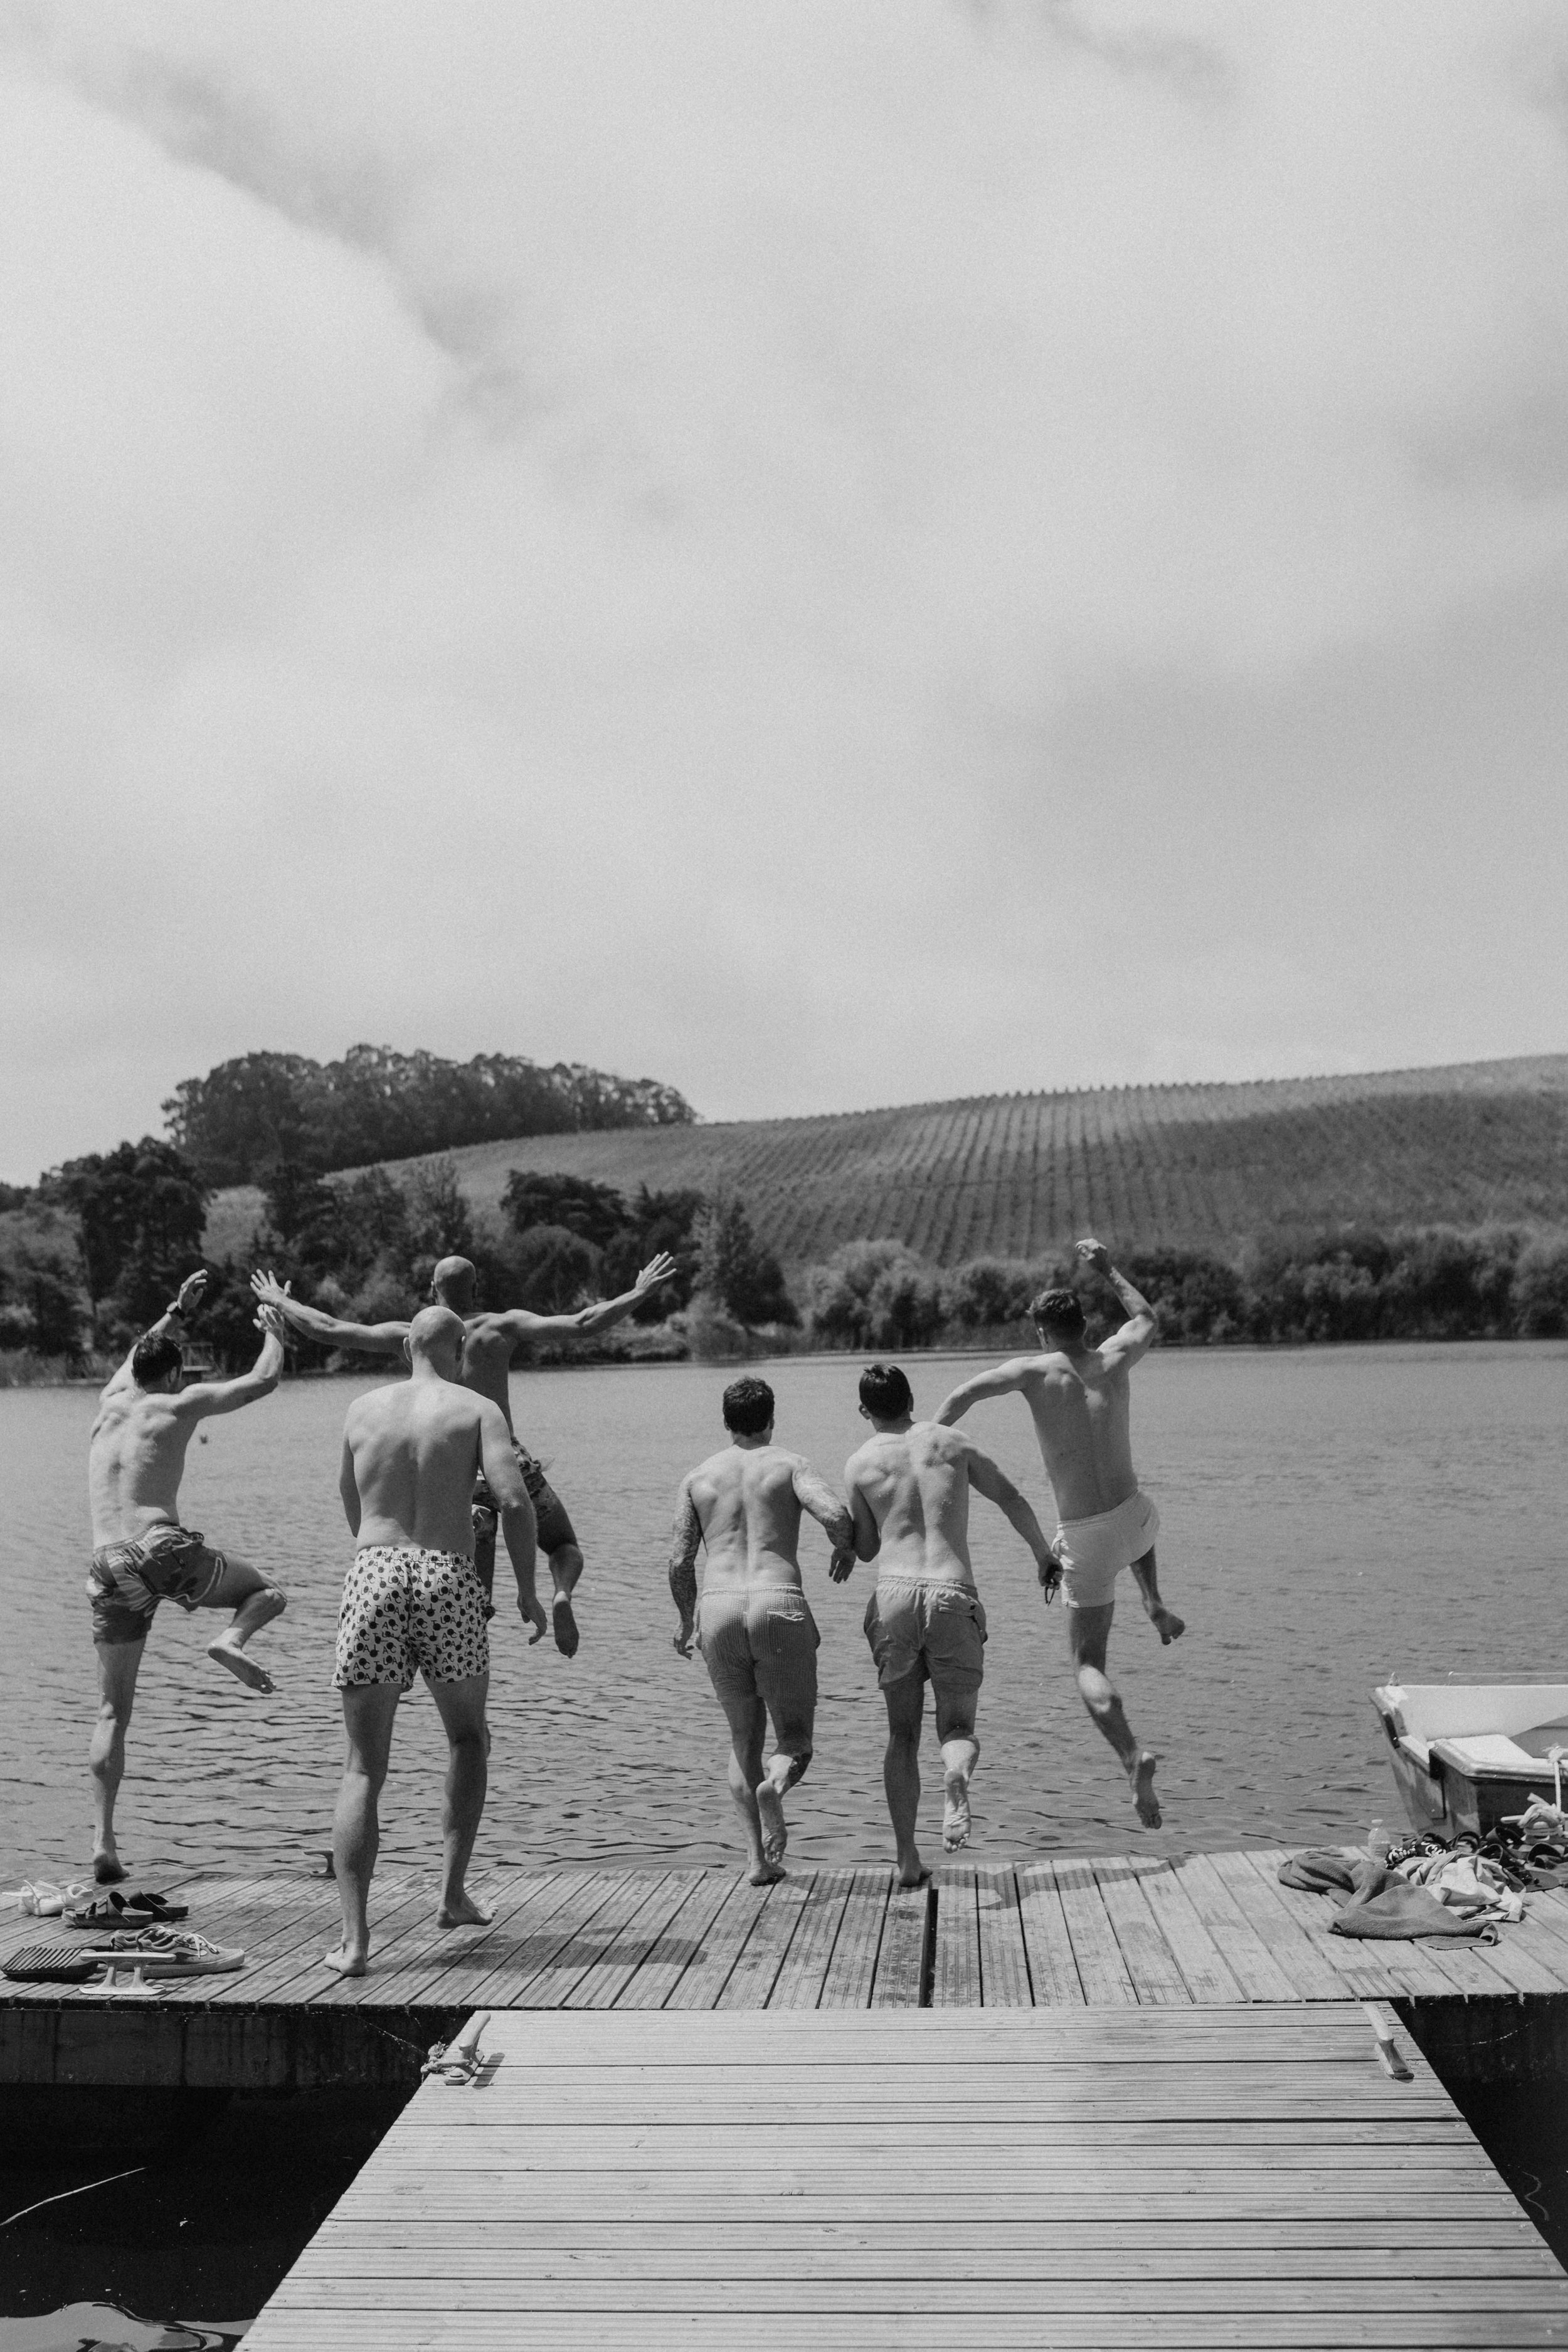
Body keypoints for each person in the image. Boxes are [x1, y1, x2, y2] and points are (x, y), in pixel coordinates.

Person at [253, 1246, 677, 1658]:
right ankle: (561, 1594)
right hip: (508, 1462)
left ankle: (447, 1639)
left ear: (432, 1290)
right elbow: (585, 1322)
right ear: (475, 1288)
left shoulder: (416, 1335)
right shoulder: (502, 1326)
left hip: (455, 1468)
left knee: (468, 1582)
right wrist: (638, 1292)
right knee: (564, 1545)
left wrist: (279, 1300)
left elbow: (328, 1328)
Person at [933, 1239, 1185, 1830]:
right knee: (1140, 1521)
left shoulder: (1033, 1372)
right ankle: (1153, 1602)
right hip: (1135, 1519)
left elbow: (966, 1394)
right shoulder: (1115, 1357)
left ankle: (1132, 1756)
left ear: (1043, 1333)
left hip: (1085, 1535)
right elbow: (1148, 1317)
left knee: (1087, 1663)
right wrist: (1106, 1268)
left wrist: (927, 1435)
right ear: (1085, 1324)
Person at [329, 1304, 546, 1975]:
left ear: (404, 1348)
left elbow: (350, 1501)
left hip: (374, 1568)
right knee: (468, 1737)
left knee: (364, 1766)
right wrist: (527, 1590)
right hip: (448, 1574)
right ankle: (451, 1894)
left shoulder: (362, 1410)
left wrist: (379, 1558)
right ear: (457, 1348)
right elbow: (513, 1500)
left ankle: (356, 1943)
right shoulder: (477, 1408)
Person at [86, 1270, 289, 1885]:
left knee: (111, 1711)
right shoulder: (176, 1404)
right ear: (174, 1375)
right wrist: (274, 1327)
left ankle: (103, 1841)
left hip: (104, 1563)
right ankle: (230, 1640)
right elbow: (262, 1380)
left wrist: (175, 1310)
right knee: (265, 1594)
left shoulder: (107, 1403)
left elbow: (138, 1352)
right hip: (159, 1546)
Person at [842, 1362, 1054, 1884]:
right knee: (957, 1728)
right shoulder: (954, 1443)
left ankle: (908, 1860)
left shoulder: (860, 1463)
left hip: (894, 1596)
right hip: (952, 1592)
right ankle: (956, 1773)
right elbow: (1011, 1497)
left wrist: (846, 1533)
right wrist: (1042, 1555)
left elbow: (867, 1548)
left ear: (865, 1411)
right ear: (913, 1399)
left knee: (901, 1733)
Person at [668, 1375, 854, 1883]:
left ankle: (757, 1862)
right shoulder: (789, 1465)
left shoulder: (697, 1478)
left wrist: (688, 1621)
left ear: (727, 1423)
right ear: (772, 1419)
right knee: (794, 1740)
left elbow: (680, 1559)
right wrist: (845, 1547)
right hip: (778, 1602)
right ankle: (778, 1781)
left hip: (719, 1608)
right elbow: (836, 1514)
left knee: (741, 1740)